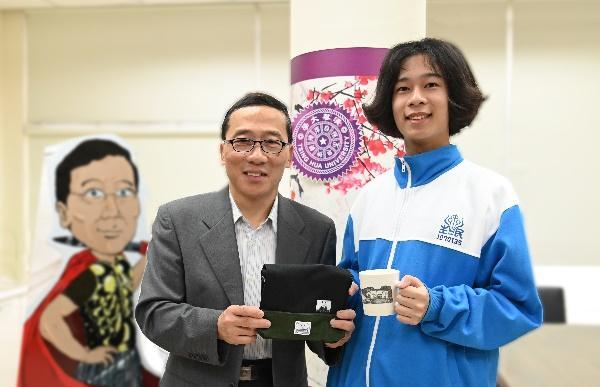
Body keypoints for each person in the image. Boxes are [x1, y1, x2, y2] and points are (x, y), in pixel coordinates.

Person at [326, 38, 543, 387]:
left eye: (431, 85)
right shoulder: (369, 197)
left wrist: (437, 306)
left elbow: (517, 308)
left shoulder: (490, 195)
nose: (416, 98)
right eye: (402, 88)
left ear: (453, 95)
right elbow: (350, 285)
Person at [135, 92, 356, 387]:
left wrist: (333, 336)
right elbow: (153, 312)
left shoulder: (317, 229)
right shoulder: (177, 220)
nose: (257, 155)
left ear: (289, 154)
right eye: (242, 141)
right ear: (223, 151)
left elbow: (314, 321)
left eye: (272, 142)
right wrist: (215, 326)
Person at [18, 139, 156, 387]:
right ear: (64, 213)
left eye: (124, 192)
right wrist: (84, 355)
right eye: (93, 193)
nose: (112, 211)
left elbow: (126, 285)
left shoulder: (115, 266)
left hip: (125, 359)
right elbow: (50, 321)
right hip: (105, 367)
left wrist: (150, 255)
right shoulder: (90, 274)